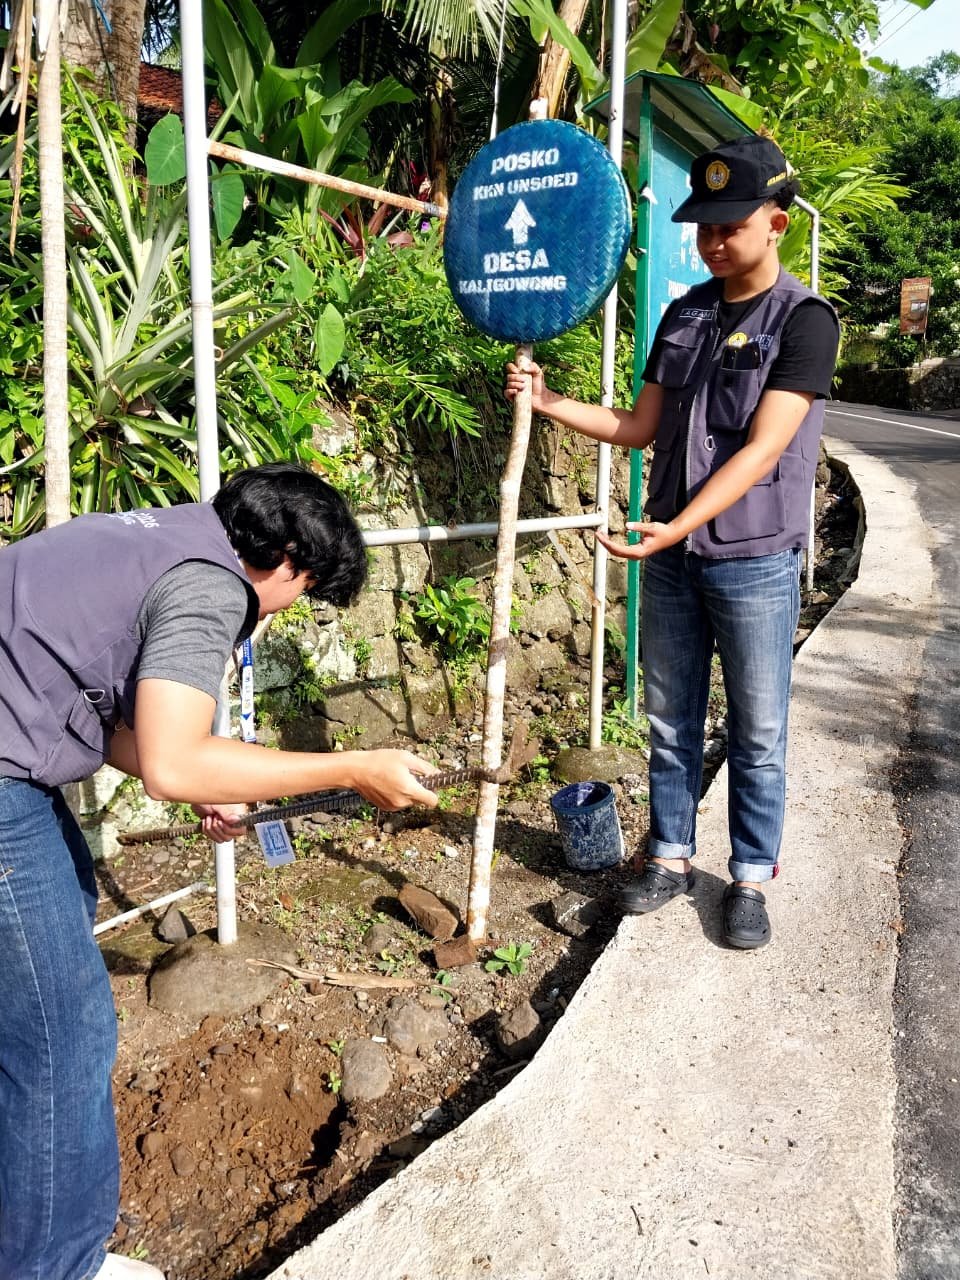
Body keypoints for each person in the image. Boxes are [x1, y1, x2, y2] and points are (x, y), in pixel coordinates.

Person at [0, 462, 439, 1280]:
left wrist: (205, 775)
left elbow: (120, 735)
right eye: (300, 592)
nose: (282, 610)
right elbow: (172, 762)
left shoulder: (157, 535)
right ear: (286, 562)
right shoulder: (211, 589)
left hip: (13, 760)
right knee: (64, 1039)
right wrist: (350, 767)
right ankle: (54, 1268)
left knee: (42, 989)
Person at [506, 135, 839, 951]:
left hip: (753, 559)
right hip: (673, 556)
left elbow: (763, 449)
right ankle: (671, 854)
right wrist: (551, 402)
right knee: (668, 720)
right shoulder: (685, 314)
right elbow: (640, 426)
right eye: (704, 226)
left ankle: (752, 876)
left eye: (732, 224)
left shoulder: (805, 321)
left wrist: (679, 526)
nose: (714, 240)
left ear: (778, 224)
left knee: (758, 731)